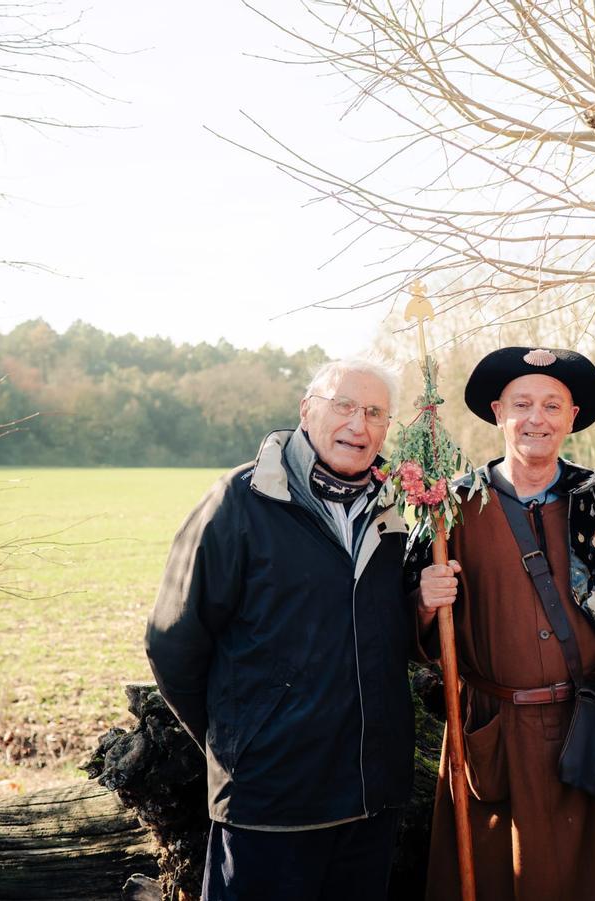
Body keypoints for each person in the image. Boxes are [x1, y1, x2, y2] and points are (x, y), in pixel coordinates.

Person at [145, 357, 414, 901]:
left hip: (371, 797)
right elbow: (173, 642)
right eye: (342, 406)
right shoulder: (240, 502)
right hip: (270, 802)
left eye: (374, 413)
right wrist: (239, 742)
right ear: (306, 411)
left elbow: (391, 635)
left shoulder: (398, 510)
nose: (357, 426)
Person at [415, 346, 595, 901]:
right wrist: (425, 602)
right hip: (496, 736)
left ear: (572, 417)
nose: (536, 418)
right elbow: (418, 629)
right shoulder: (450, 507)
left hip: (590, 730)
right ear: (498, 412)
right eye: (522, 404)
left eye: (552, 405)